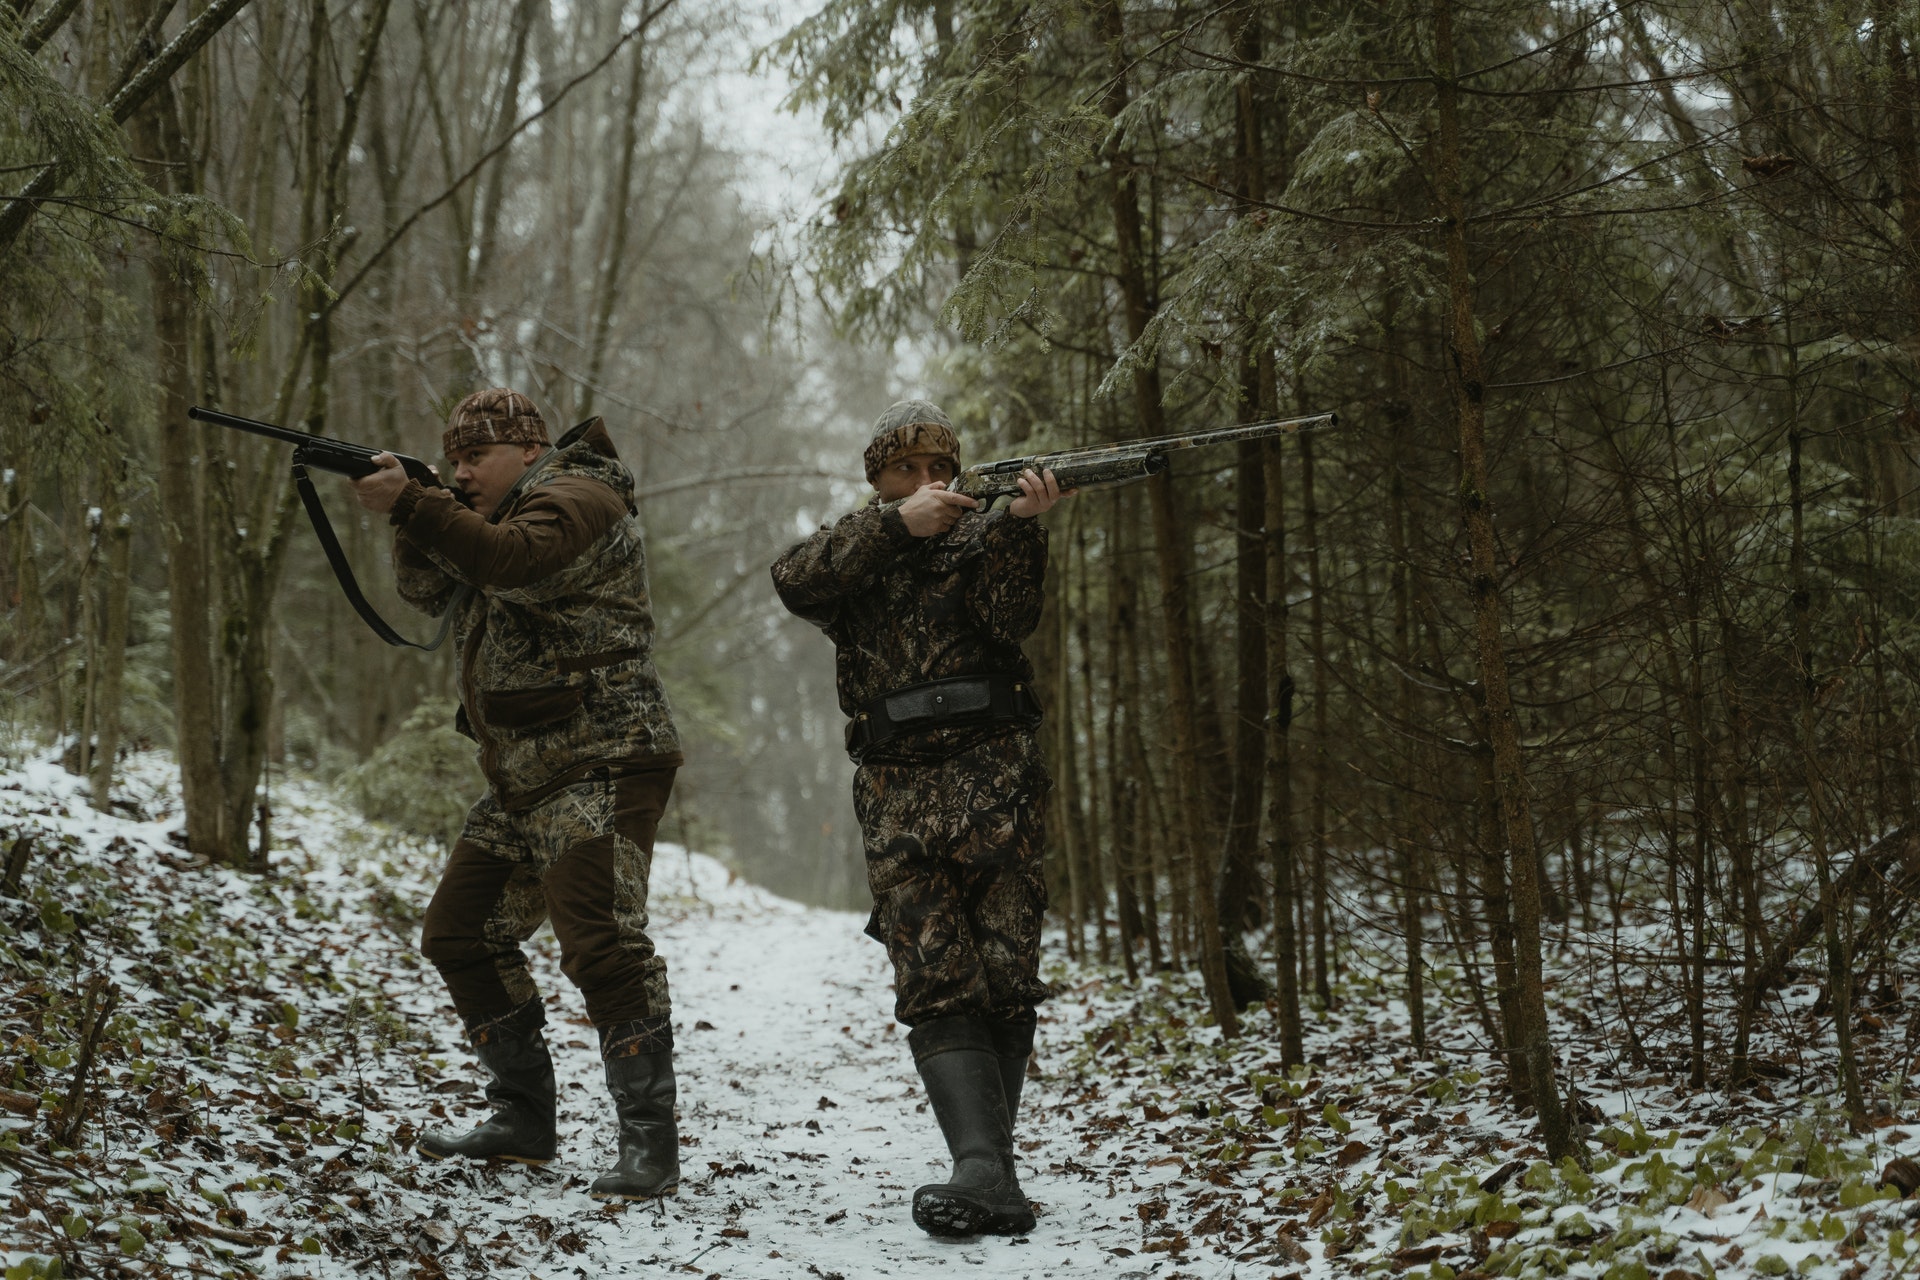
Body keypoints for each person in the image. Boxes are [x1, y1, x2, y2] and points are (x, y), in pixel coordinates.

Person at [350, 387, 684, 1201]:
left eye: (477, 458)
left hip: (600, 757)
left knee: (603, 946)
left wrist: (421, 502)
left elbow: (513, 564)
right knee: (459, 933)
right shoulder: (489, 514)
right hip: (524, 774)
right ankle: (524, 1119)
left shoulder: (581, 497)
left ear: (529, 449)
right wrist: (414, 509)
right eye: (453, 458)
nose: (462, 473)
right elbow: (430, 591)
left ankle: (650, 1144)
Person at [770, 399, 1072, 1237]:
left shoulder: (985, 534)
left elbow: (1012, 619)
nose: (929, 481)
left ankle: (989, 1174)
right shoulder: (855, 550)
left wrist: (1021, 527)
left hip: (996, 777)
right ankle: (985, 1171)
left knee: (1007, 970)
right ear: (878, 481)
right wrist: (899, 527)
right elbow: (793, 579)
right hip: (897, 787)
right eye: (907, 470)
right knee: (933, 969)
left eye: (941, 467)